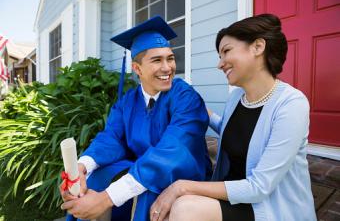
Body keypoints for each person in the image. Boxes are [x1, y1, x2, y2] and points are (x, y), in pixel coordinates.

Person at [150, 13, 317, 221]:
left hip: (268, 206)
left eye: (226, 51)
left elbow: (259, 187)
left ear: (258, 47)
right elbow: (236, 132)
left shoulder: (291, 104)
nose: (220, 64)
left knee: (184, 208)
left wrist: (182, 187)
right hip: (234, 194)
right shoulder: (237, 96)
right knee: (167, 210)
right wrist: (198, 109)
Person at [59, 16, 212, 221]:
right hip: (143, 167)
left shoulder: (185, 97)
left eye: (170, 58)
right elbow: (112, 137)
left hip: (182, 175)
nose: (168, 68)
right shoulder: (127, 102)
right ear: (137, 69)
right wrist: (82, 167)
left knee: (145, 189)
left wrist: (106, 199)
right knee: (98, 177)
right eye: (157, 60)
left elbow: (174, 150)